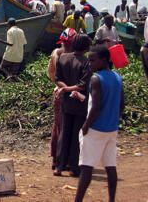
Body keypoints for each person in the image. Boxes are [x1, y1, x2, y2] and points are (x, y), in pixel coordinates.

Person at [75, 45, 125, 202]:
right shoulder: (117, 77)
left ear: (104, 60)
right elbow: (122, 105)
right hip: (111, 129)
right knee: (110, 166)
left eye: (92, 60)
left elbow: (95, 107)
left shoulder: (96, 79)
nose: (89, 64)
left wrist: (86, 125)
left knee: (86, 168)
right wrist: (113, 119)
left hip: (95, 129)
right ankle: (111, 200)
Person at [54, 33, 92, 177]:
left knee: (64, 133)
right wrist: (70, 89)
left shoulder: (63, 58)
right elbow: (82, 85)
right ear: (86, 47)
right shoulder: (86, 62)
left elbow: (58, 79)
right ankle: (73, 167)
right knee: (77, 134)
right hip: (80, 103)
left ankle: (59, 166)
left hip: (66, 102)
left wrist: (65, 88)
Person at [47, 28, 77, 171]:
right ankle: (68, 161)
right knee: (71, 126)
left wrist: (58, 85)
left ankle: (56, 159)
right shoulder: (77, 56)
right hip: (74, 94)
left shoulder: (56, 53)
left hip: (59, 92)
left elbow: (51, 73)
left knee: (58, 125)